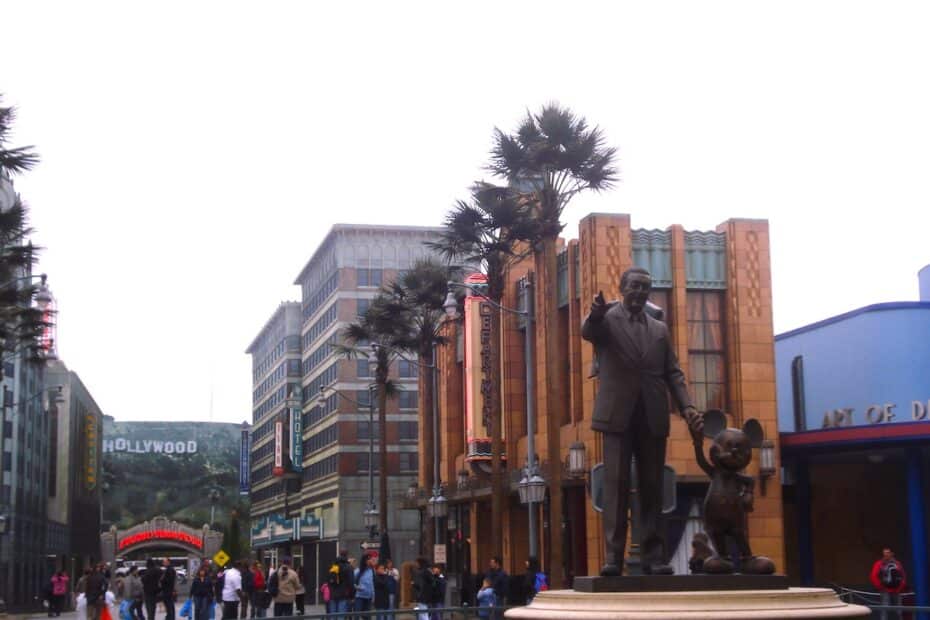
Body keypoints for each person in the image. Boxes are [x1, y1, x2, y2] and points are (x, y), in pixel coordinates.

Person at [582, 267, 704, 576]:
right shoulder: (607, 319)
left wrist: (687, 406)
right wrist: (595, 314)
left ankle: (655, 558)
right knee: (615, 488)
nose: (639, 292)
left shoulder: (660, 329)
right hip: (617, 416)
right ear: (623, 288)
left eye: (645, 288)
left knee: (653, 489)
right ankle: (613, 558)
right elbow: (589, 333)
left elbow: (672, 372)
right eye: (634, 286)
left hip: (652, 415)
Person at [870, 547, 907, 620]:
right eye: (885, 553)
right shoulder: (879, 564)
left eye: (888, 553)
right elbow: (873, 576)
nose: (887, 554)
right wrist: (881, 587)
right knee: (885, 611)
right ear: (883, 554)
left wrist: (900, 587)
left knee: (898, 611)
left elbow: (903, 575)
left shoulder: (897, 564)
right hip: (885, 590)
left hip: (896, 590)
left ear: (891, 553)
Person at [327, 550, 355, 615]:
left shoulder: (333, 566)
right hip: (343, 595)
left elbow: (328, 580)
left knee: (332, 616)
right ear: (347, 555)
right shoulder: (349, 567)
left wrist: (331, 591)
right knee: (341, 616)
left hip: (333, 595)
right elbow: (351, 583)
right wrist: (352, 596)